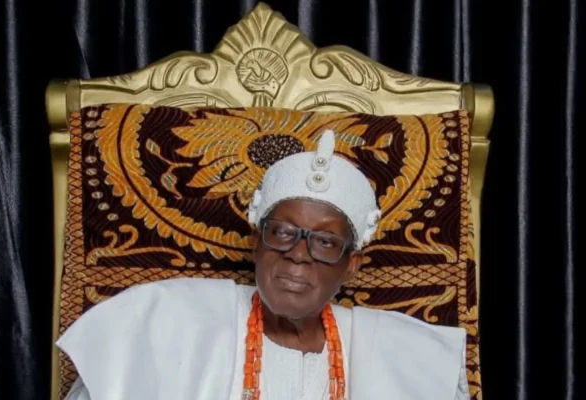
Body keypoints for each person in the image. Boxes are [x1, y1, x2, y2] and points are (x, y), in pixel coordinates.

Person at [57, 130, 470, 400]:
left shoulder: (410, 356)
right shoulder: (162, 320)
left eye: (325, 242)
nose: (298, 253)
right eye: (283, 232)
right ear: (257, 242)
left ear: (351, 265)